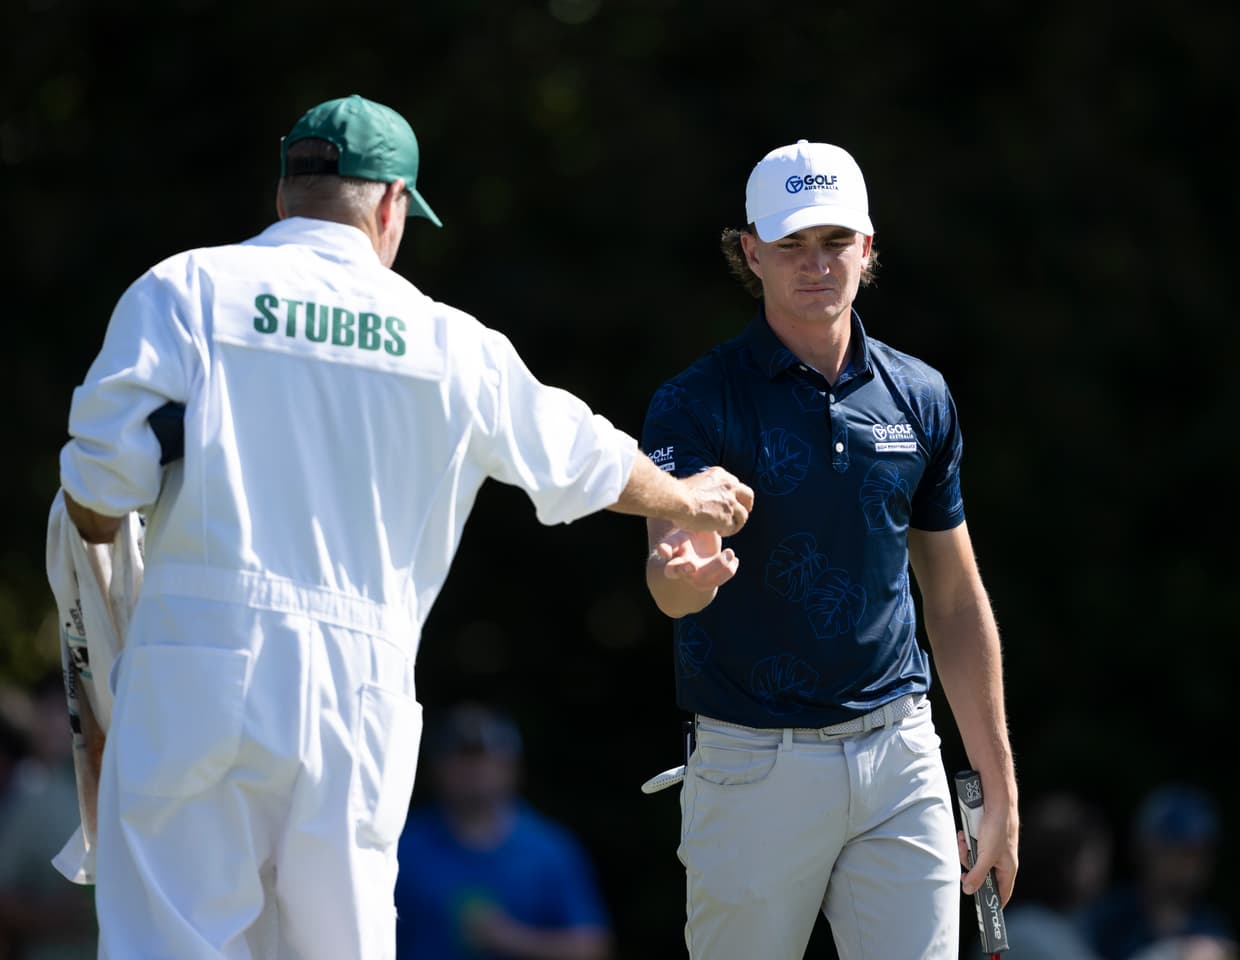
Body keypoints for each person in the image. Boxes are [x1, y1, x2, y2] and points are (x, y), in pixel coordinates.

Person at [57, 94, 752, 959]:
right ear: (391, 206)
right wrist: (687, 497)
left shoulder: (187, 289)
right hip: (360, 684)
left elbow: (99, 487)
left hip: (197, 659)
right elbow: (584, 458)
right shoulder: (448, 339)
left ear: (284, 196)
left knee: (173, 941)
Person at [638, 139, 1018, 959]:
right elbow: (669, 573)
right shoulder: (696, 404)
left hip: (900, 754)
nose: (817, 264)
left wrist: (998, 787)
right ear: (751, 252)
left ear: (869, 247)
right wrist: (685, 580)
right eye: (791, 244)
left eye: (836, 240)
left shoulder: (918, 396)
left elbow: (952, 600)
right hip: (751, 764)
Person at [396, 703, 611, 960]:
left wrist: (512, 938)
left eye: (484, 757)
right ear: (437, 768)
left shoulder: (548, 849)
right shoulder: (403, 846)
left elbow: (592, 947)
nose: (473, 771)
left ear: (511, 766)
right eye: (460, 759)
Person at [0, 679, 98, 959]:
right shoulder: (28, 794)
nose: (58, 725)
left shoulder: (105, 786)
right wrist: (59, 916)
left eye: (65, 711)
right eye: (49, 712)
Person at [1083, 784, 1236, 960]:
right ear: (1144, 849)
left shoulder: (1212, 930)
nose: (1188, 864)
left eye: (1197, 853)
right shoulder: (1105, 918)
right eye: (1175, 850)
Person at [970, 791, 1110, 960]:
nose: (1102, 865)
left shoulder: (1012, 926)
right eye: (1091, 856)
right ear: (1067, 865)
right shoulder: (1031, 938)